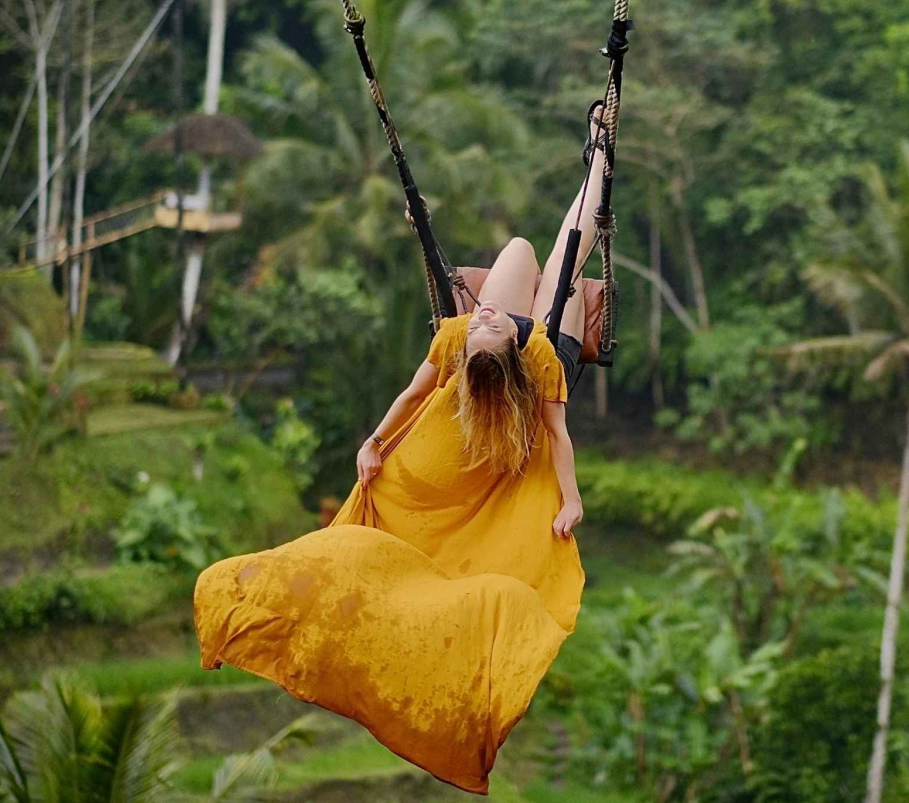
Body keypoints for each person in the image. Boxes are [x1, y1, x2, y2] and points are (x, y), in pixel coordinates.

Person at [194, 108, 610, 795]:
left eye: (482, 323)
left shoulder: (501, 347)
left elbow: (495, 418)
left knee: (544, 247)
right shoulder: (499, 346)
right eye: (480, 322)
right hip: (536, 362)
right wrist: (378, 443)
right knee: (546, 248)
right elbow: (457, 408)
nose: (478, 316)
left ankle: (598, 157)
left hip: (529, 370)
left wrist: (568, 497)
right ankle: (598, 158)